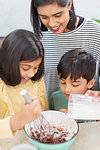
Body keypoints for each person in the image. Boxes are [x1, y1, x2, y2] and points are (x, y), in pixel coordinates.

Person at [30, 0, 100, 105]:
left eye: (58, 15)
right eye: (44, 17)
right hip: (48, 115)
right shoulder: (37, 38)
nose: (52, 23)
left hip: (88, 117)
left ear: (70, 4)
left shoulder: (96, 34)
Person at [0, 29, 48, 138]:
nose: (31, 74)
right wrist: (20, 119)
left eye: (36, 67)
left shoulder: (37, 81)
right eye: (25, 68)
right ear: (8, 61)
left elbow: (43, 111)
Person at [50, 48, 96, 122]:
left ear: (90, 83)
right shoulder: (55, 98)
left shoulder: (95, 103)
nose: (67, 89)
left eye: (75, 84)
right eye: (63, 82)